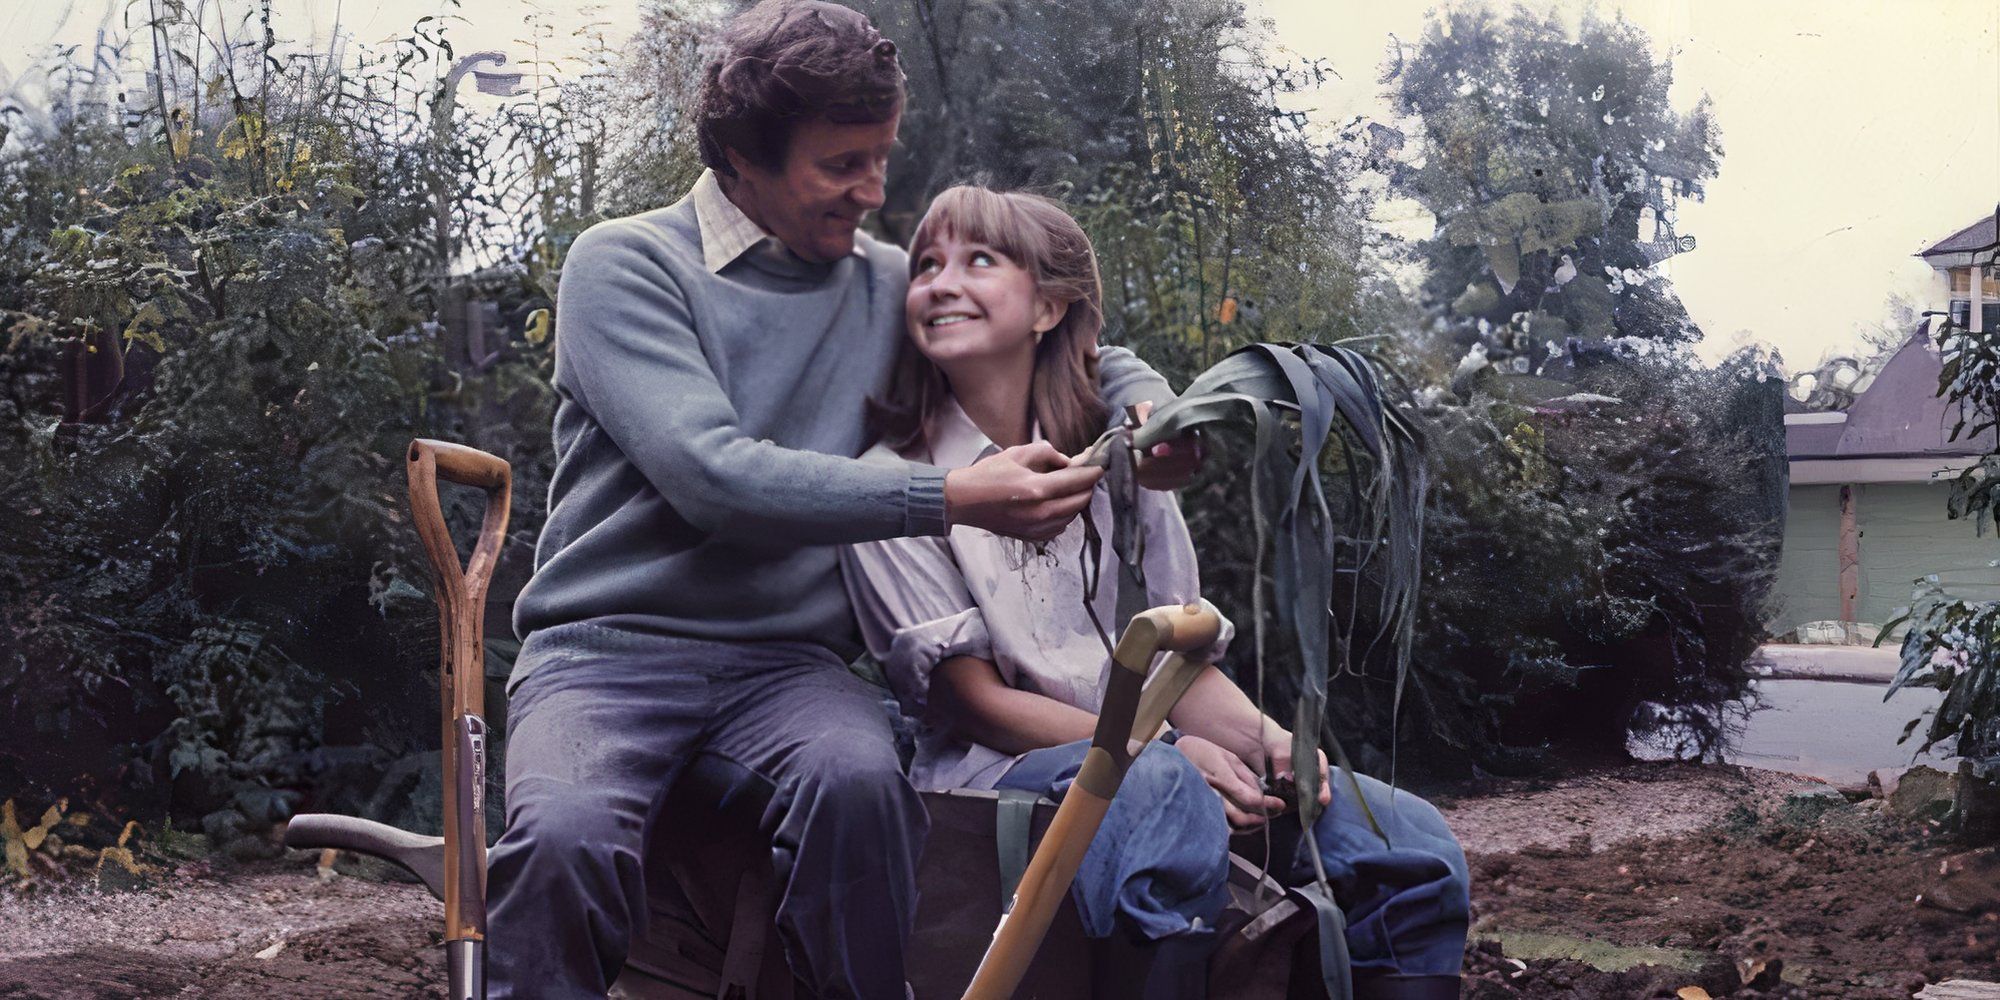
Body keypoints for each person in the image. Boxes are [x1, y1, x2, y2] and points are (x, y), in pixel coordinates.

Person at [486, 5, 1201, 999]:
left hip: (788, 668)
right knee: (561, 837)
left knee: (862, 786)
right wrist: (951, 496)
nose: (872, 192)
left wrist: (1151, 404)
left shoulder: (882, 286)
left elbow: (1057, 333)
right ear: (742, 154)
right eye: (840, 166)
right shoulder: (627, 265)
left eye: (880, 158)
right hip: (606, 657)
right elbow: (713, 475)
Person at [840, 185, 1472, 1000]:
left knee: (1409, 843)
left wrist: (1269, 740)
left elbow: (1185, 666)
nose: (939, 282)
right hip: (1001, 773)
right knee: (1167, 802)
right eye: (926, 265)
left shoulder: (1126, 467)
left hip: (1162, 764)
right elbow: (976, 705)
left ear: (1048, 308)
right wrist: (1167, 755)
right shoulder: (895, 487)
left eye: (979, 260)